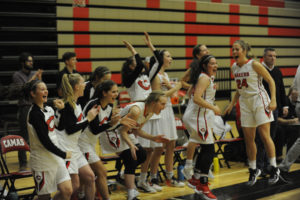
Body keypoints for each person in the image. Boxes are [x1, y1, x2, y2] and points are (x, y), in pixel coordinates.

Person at [224, 40, 279, 186]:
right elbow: (239, 88)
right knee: (249, 139)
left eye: (236, 49)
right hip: (245, 103)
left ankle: (274, 168)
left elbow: (270, 80)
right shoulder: (234, 67)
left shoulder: (254, 64)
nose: (234, 52)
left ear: (243, 50)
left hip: (259, 100)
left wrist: (273, 100)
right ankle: (253, 169)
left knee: (264, 135)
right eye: (233, 49)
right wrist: (231, 103)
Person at [99, 91, 169, 200]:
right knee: (131, 156)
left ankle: (123, 176)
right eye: (162, 104)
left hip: (124, 133)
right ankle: (131, 194)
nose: (164, 107)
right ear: (153, 102)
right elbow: (122, 131)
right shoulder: (137, 110)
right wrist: (131, 145)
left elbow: (137, 131)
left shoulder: (149, 112)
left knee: (142, 155)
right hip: (112, 132)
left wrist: (153, 138)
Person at [79, 80, 136, 200]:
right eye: (113, 92)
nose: (116, 94)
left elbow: (108, 127)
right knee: (102, 172)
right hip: (81, 142)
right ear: (104, 93)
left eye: (117, 92)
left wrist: (120, 123)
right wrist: (113, 123)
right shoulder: (93, 105)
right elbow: (95, 129)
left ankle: (82, 195)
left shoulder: (109, 106)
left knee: (89, 175)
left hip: (91, 143)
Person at [122, 32, 164, 193]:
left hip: (149, 112)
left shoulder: (146, 75)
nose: (140, 63)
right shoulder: (129, 79)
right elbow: (140, 64)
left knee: (152, 149)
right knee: (144, 150)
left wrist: (149, 44)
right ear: (130, 65)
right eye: (135, 61)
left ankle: (142, 179)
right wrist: (133, 50)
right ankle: (137, 179)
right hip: (137, 112)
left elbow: (158, 61)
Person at [25, 79, 72, 200]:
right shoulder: (35, 114)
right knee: (44, 197)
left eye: (46, 88)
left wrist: (62, 111)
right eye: (42, 89)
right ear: (33, 93)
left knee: (67, 190)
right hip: (42, 160)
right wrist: (63, 154)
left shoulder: (49, 109)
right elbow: (45, 141)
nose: (46, 91)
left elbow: (60, 127)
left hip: (55, 158)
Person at [56, 73, 99, 200]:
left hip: (74, 147)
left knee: (90, 177)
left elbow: (78, 128)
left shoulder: (76, 103)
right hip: (65, 148)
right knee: (72, 186)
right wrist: (88, 119)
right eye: (82, 83)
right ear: (76, 86)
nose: (85, 85)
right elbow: (70, 129)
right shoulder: (67, 105)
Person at [182, 55, 220, 200]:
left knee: (206, 148)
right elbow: (197, 98)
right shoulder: (204, 78)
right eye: (212, 63)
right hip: (197, 117)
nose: (215, 66)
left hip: (199, 116)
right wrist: (213, 108)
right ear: (204, 65)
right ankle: (203, 185)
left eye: (216, 63)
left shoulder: (205, 77)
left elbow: (190, 94)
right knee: (209, 149)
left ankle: (196, 179)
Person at [150, 49, 183, 187]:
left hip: (169, 110)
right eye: (168, 56)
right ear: (160, 59)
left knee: (172, 144)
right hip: (160, 112)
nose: (171, 58)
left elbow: (173, 97)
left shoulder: (166, 75)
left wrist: (173, 89)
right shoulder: (156, 76)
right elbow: (158, 97)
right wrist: (176, 88)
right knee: (159, 147)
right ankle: (153, 178)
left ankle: (170, 177)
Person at [256, 47, 288, 175]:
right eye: (270, 56)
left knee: (271, 138)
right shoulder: (259, 70)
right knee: (262, 138)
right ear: (264, 57)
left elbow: (281, 89)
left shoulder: (277, 71)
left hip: (274, 109)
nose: (273, 58)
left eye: (274, 56)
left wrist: (285, 106)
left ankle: (270, 165)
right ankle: (260, 166)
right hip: (262, 109)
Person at [181, 44, 211, 179]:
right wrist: (194, 88)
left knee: (204, 141)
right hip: (197, 107)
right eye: (204, 50)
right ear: (198, 55)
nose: (207, 51)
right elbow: (182, 81)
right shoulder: (195, 67)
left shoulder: (207, 68)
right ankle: (189, 166)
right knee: (199, 139)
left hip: (204, 108)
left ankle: (202, 168)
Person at [12, 52, 43, 171]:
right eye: (29, 61)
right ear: (22, 63)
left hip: (35, 106)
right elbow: (23, 89)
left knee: (39, 134)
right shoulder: (17, 75)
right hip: (24, 108)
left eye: (32, 61)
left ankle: (38, 159)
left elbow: (39, 88)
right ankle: (23, 164)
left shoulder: (34, 74)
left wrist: (39, 79)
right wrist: (34, 78)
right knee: (23, 136)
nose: (31, 63)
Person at [275, 87, 299, 161]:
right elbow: (278, 119)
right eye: (296, 97)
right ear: (290, 94)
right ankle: (289, 155)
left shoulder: (297, 104)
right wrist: (291, 121)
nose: (297, 99)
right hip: (283, 125)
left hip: (293, 125)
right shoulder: (284, 102)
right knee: (291, 130)